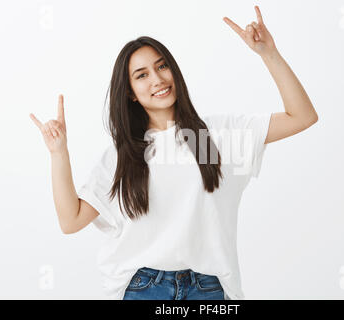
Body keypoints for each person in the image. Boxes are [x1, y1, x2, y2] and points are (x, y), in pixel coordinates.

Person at [29, 5, 318, 300]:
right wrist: (58, 152)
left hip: (209, 289)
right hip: (143, 287)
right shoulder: (125, 155)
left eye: (162, 66)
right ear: (130, 92)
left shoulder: (217, 136)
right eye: (141, 75)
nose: (157, 79)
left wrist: (268, 54)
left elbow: (302, 117)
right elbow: (71, 220)